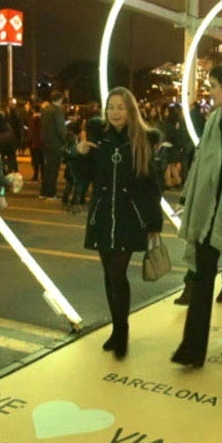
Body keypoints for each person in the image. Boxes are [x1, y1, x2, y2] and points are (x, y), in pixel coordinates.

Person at [171, 62, 222, 369]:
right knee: (203, 275)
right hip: (209, 207)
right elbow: (202, 160)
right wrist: (189, 195)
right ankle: (192, 349)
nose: (210, 92)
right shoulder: (214, 119)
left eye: (214, 87)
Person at [77, 87, 164, 359]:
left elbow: (153, 185)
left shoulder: (142, 141)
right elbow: (82, 179)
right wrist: (79, 154)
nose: (115, 112)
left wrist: (153, 221)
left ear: (131, 110)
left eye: (120, 107)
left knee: (117, 274)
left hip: (129, 216)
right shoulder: (98, 140)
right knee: (108, 275)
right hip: (103, 215)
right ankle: (116, 329)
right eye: (111, 107)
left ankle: (122, 331)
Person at [40, 91, 67, 200]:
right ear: (60, 99)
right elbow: (61, 128)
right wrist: (66, 139)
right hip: (56, 144)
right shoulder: (57, 111)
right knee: (54, 170)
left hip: (46, 143)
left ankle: (43, 192)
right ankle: (51, 193)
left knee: (47, 169)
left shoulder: (45, 110)